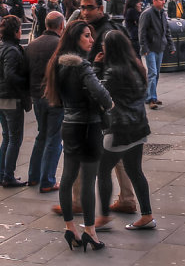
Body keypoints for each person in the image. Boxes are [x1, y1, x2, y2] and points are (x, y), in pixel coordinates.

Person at [45, 20, 112, 251]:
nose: (92, 40)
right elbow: (102, 96)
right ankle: (90, 232)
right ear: (76, 39)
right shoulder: (82, 67)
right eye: (86, 35)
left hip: (69, 124)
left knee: (67, 177)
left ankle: (69, 228)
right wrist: (107, 98)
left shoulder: (57, 63)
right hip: (89, 127)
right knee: (87, 180)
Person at [94, 30, 157, 231]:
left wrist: (96, 67)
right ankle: (147, 215)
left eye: (104, 44)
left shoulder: (113, 70)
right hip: (138, 126)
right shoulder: (136, 67)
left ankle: (103, 217)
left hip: (119, 129)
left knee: (102, 170)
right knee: (134, 170)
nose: (102, 47)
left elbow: (99, 94)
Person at [25, 11, 65, 192]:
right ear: (61, 26)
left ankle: (33, 176)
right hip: (54, 96)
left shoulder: (32, 45)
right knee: (54, 138)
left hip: (36, 96)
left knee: (42, 134)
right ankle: (48, 180)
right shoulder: (60, 45)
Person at [0, 14, 31, 187]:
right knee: (14, 139)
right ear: (16, 31)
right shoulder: (12, 50)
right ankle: (8, 176)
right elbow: (11, 76)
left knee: (7, 137)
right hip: (10, 99)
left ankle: (3, 174)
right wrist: (27, 83)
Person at [138, 0, 172, 110]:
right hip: (150, 47)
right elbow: (142, 32)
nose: (163, 2)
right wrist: (144, 48)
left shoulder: (162, 13)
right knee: (153, 73)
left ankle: (151, 96)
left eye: (164, 0)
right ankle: (152, 98)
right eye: (161, 0)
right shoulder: (147, 14)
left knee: (156, 74)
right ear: (154, 1)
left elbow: (166, 30)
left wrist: (171, 45)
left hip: (159, 47)